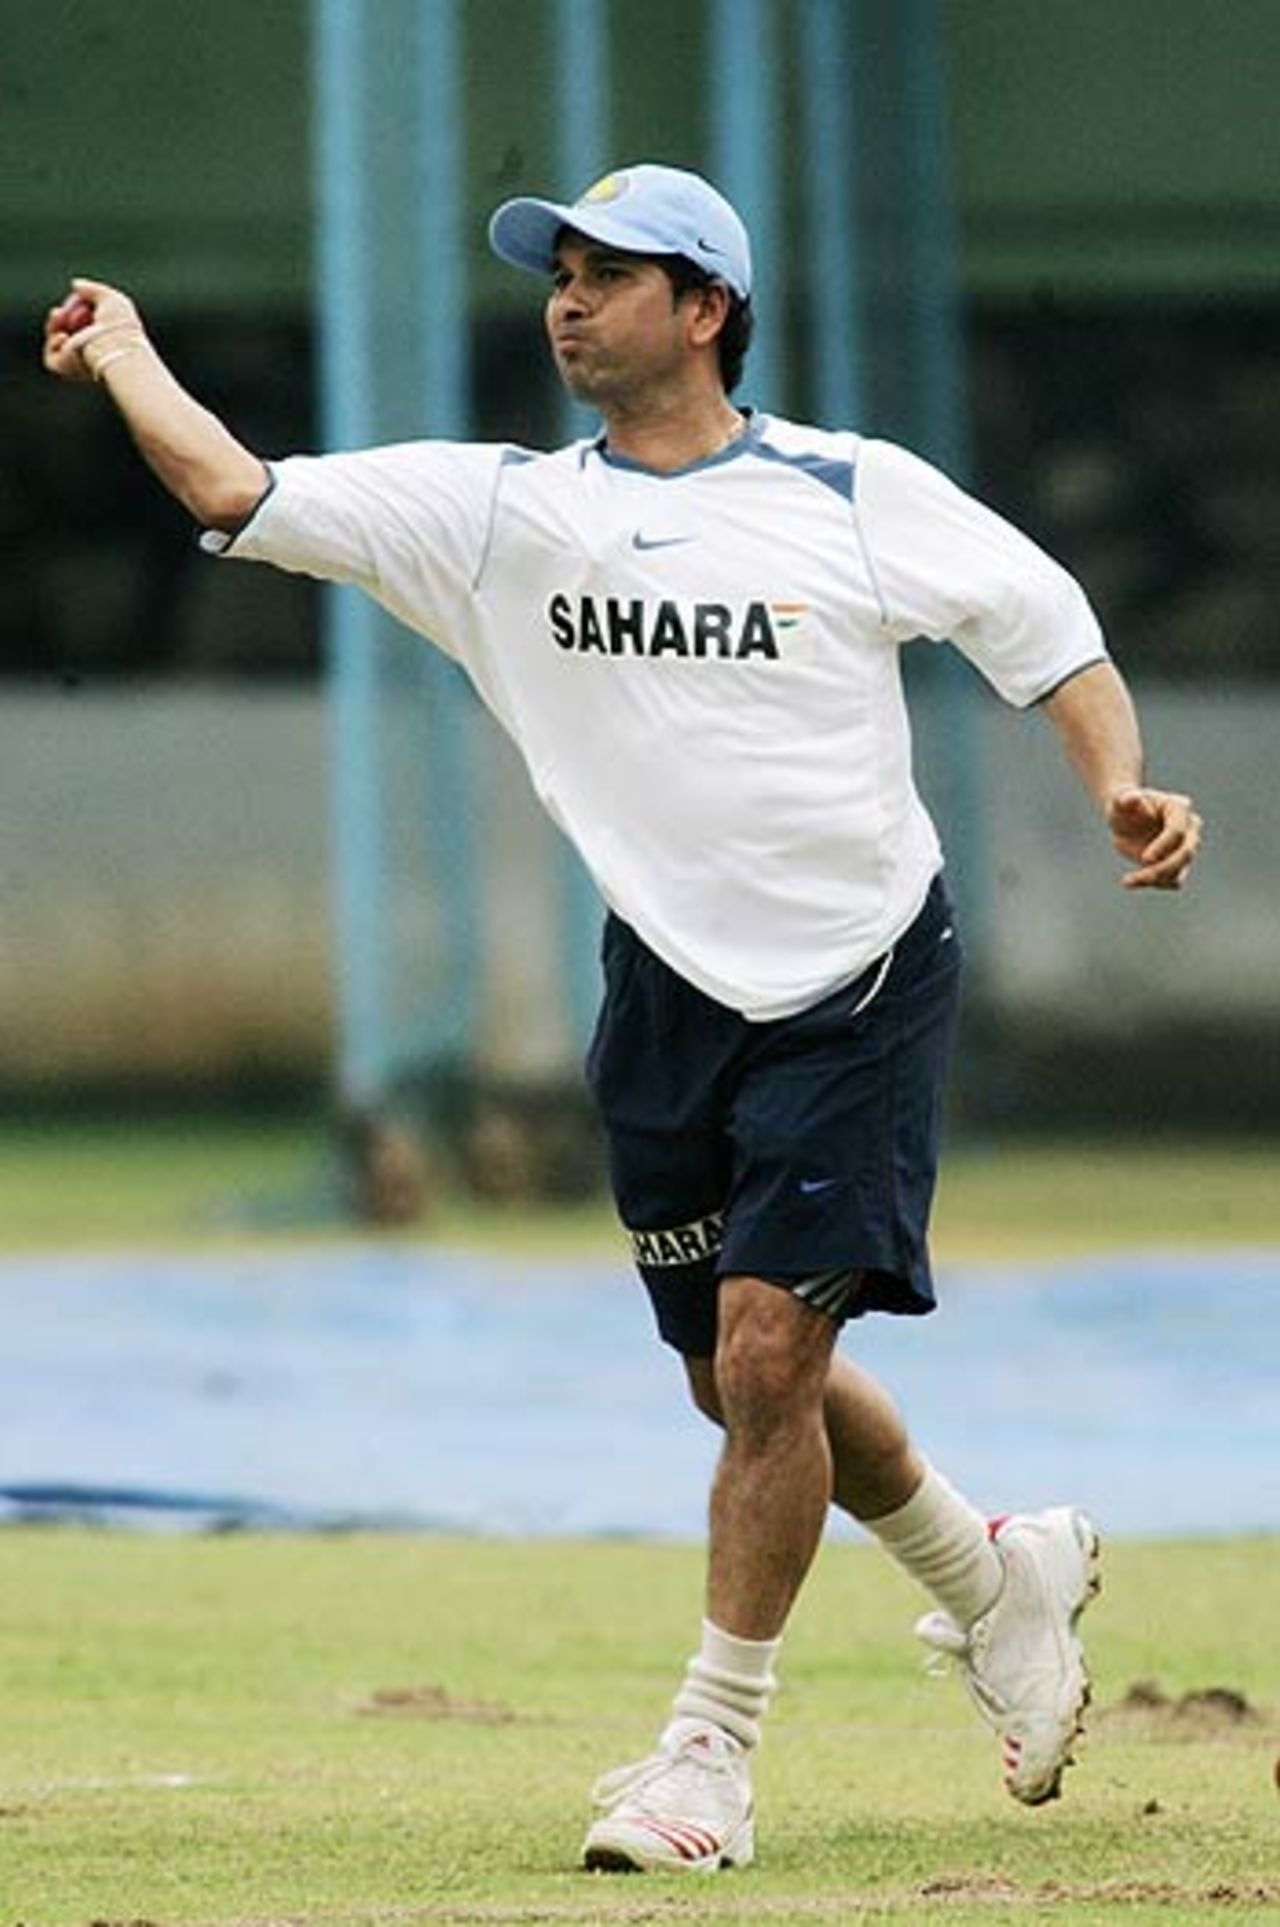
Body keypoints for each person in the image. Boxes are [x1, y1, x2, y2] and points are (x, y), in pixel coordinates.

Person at [43, 162, 1201, 1875]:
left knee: (763, 1353)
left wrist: (1122, 786)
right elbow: (236, 486)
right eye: (560, 272)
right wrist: (129, 351)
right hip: (668, 986)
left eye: (610, 273)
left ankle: (706, 1759)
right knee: (740, 1388)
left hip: (863, 970)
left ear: (708, 308)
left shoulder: (849, 489)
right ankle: (991, 1569)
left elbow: (1045, 631)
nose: (568, 300)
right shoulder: (503, 513)